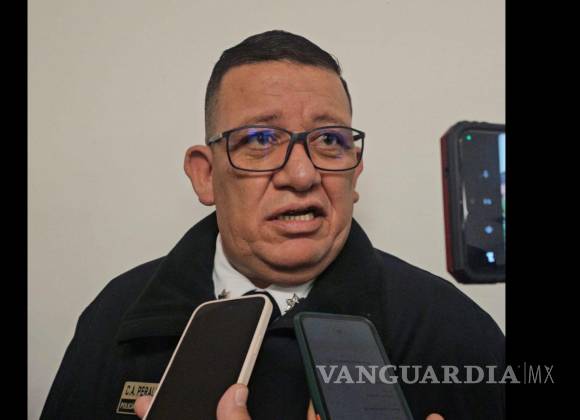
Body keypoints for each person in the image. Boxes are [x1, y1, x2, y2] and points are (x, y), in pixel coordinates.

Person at [40, 30, 505, 420]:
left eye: (329, 140)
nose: (302, 175)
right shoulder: (115, 314)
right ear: (206, 175)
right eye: (260, 139)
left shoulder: (453, 331)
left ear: (355, 173)